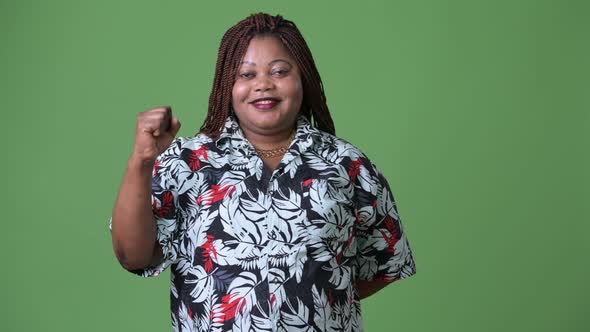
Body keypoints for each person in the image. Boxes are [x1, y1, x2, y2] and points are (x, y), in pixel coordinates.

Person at [109, 12, 416, 332]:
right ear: (227, 85)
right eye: (246, 74)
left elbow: (384, 264)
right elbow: (133, 256)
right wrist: (142, 162)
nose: (263, 85)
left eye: (280, 71)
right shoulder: (188, 162)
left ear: (303, 77)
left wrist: (320, 296)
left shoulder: (346, 164)